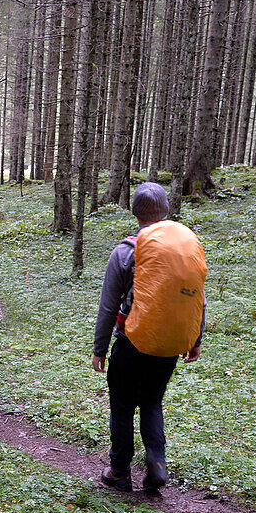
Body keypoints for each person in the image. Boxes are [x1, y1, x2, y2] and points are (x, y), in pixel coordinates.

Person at [91, 182, 203, 493]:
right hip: (169, 344)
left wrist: (100, 348)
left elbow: (109, 304)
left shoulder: (125, 251)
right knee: (152, 401)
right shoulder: (185, 248)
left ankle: (119, 470)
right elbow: (197, 297)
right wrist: (195, 339)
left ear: (135, 213)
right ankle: (156, 461)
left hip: (130, 342)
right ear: (166, 211)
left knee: (123, 405)